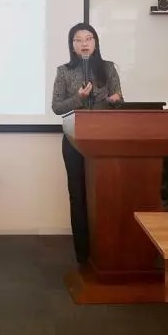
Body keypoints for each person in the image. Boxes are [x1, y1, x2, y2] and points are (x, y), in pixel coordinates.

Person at [51, 23, 123, 264]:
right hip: (74, 140)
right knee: (78, 194)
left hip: (105, 139)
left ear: (95, 42)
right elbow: (57, 107)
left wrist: (115, 99)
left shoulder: (108, 68)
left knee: (105, 194)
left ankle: (107, 248)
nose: (84, 43)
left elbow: (120, 99)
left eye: (89, 38)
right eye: (78, 39)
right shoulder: (64, 71)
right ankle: (83, 253)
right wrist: (79, 97)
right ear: (72, 45)